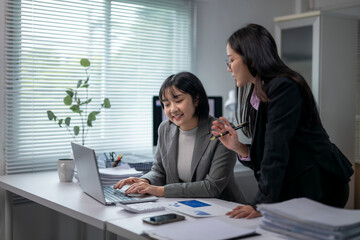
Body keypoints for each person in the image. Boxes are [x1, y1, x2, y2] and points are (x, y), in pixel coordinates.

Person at [211, 23, 354, 219]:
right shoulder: (259, 92)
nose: (229, 68)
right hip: (298, 187)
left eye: (231, 60)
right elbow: (267, 149)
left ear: (251, 59)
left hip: (318, 185)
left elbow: (276, 150)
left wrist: (258, 203)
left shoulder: (283, 87)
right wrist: (239, 148)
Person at [114, 72, 245, 203]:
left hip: (224, 209)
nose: (172, 109)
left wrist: (160, 191)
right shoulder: (164, 129)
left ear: (196, 99)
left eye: (178, 101)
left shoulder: (220, 131)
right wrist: (144, 181)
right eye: (166, 104)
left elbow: (212, 187)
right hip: (183, 205)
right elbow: (159, 171)